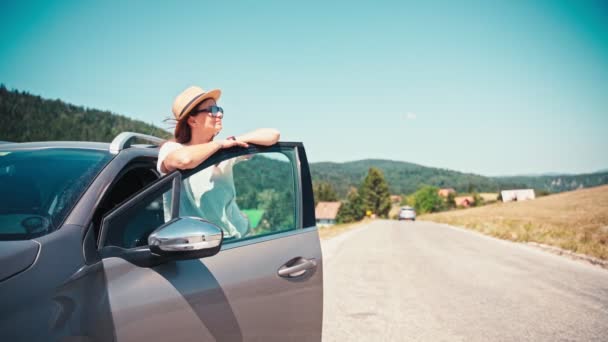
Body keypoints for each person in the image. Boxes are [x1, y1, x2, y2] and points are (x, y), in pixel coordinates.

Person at [157, 85, 280, 238]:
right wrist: (219, 144)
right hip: (197, 245)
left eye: (219, 109)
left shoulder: (224, 150)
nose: (220, 114)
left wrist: (235, 140)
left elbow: (273, 135)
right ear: (192, 120)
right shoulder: (172, 148)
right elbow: (184, 160)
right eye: (212, 110)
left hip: (239, 239)